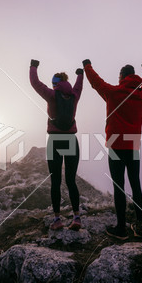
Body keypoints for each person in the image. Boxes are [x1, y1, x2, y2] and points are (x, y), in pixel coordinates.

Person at [82, 59, 142, 240]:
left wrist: (87, 66)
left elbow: (96, 83)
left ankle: (121, 229)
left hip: (115, 145)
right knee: (135, 184)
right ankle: (140, 226)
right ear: (133, 76)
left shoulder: (114, 92)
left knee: (119, 186)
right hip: (133, 144)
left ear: (122, 77)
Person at [29, 59, 83, 231]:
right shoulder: (74, 95)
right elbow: (79, 85)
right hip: (71, 140)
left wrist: (33, 67)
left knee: (55, 181)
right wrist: (80, 74)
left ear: (56, 84)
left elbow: (35, 83)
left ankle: (57, 219)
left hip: (54, 140)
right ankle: (76, 217)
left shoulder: (51, 95)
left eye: (53, 83)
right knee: (71, 181)